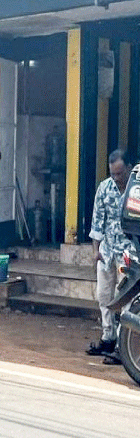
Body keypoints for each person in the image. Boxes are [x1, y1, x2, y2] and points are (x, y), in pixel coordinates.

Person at [87, 149, 135, 364]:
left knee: (124, 298)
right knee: (104, 296)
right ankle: (108, 338)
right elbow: (97, 221)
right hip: (107, 251)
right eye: (112, 174)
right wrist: (95, 250)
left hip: (129, 253)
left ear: (129, 168)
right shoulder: (104, 188)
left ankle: (121, 349)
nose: (116, 178)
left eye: (119, 173)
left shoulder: (137, 190)